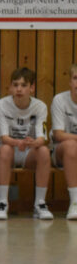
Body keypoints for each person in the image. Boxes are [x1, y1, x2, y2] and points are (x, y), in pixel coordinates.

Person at [0, 67, 53, 220]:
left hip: (28, 151)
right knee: (6, 149)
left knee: (44, 151)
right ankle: (2, 203)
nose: (19, 89)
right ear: (10, 87)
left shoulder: (40, 106)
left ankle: (40, 204)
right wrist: (18, 142)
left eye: (24, 85)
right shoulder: (1, 104)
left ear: (32, 88)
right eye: (15, 85)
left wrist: (33, 143)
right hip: (7, 149)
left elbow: (42, 138)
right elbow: (3, 137)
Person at [50, 64, 77, 220]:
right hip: (60, 151)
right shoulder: (60, 100)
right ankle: (75, 202)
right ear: (70, 82)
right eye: (76, 78)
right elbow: (59, 135)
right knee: (71, 146)